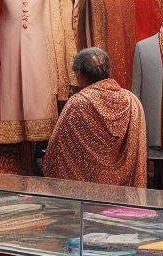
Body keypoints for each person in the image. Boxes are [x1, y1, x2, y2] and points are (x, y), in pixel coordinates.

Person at [42, 48, 148, 188]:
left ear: (80, 75)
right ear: (108, 72)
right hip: (126, 197)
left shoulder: (78, 103)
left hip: (88, 197)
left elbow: (55, 153)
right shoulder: (132, 100)